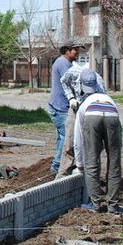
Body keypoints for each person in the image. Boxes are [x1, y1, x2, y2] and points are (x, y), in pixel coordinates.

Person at [74, 68, 123, 214]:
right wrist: (115, 147)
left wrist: (79, 163)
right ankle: (113, 206)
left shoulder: (84, 104)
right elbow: (118, 131)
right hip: (112, 115)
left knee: (92, 161)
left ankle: (96, 204)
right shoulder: (109, 99)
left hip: (91, 115)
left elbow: (78, 139)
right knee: (114, 162)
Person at [56, 62, 104, 178]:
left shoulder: (99, 85)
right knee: (69, 142)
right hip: (75, 108)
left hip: (90, 112)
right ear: (80, 81)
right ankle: (63, 175)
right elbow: (63, 82)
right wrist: (71, 98)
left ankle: (92, 177)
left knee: (92, 144)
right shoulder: (73, 73)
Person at [48, 39, 85, 174]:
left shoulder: (66, 63)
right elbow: (71, 84)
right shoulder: (63, 64)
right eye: (75, 50)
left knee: (62, 137)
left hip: (58, 107)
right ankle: (58, 166)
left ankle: (57, 165)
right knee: (67, 139)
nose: (78, 52)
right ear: (67, 51)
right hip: (61, 108)